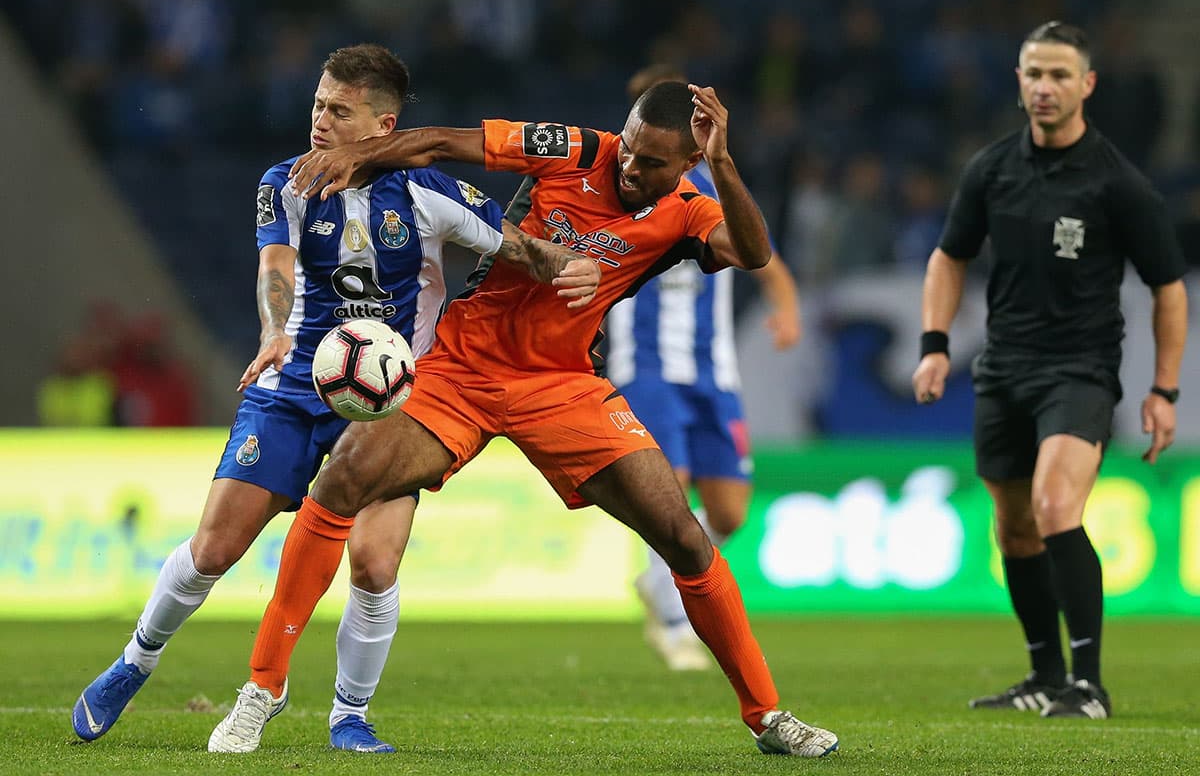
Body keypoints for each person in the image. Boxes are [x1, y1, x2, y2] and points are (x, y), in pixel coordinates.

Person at [213, 80, 839, 757]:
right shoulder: (571, 148)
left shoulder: (689, 212)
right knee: (341, 483)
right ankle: (262, 690)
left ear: (688, 165)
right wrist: (358, 159)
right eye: (627, 150)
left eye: (651, 163)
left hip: (562, 386)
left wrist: (724, 164)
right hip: (463, 367)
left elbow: (751, 253)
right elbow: (442, 142)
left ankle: (768, 716)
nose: (628, 167)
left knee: (687, 541)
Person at [71, 43, 599, 754]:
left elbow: (525, 253)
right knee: (212, 551)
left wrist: (588, 278)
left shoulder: (426, 193)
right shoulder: (285, 182)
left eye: (339, 110)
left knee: (376, 565)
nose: (319, 120)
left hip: (391, 405)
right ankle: (135, 661)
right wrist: (271, 330)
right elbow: (276, 267)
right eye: (318, 104)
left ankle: (349, 714)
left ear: (382, 127)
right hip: (291, 389)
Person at [912, 21, 1188, 720]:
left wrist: (1164, 389)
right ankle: (1042, 675)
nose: (1045, 87)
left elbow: (1168, 287)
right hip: (1003, 366)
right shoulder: (993, 169)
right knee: (1014, 529)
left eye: (1060, 75)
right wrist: (935, 342)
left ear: (1087, 85)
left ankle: (1089, 684)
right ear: (1018, 81)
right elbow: (949, 256)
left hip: (1080, 368)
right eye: (1034, 73)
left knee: (1057, 508)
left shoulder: (1116, 183)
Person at [606, 64, 802, 671]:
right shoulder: (624, 185)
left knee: (729, 513)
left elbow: (759, 254)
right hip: (645, 364)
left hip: (713, 370)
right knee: (673, 485)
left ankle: (659, 582)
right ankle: (670, 611)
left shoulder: (715, 189)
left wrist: (787, 306)